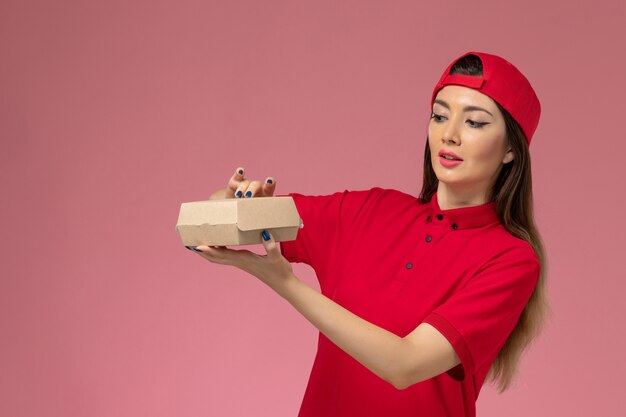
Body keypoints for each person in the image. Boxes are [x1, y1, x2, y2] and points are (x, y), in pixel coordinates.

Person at [189, 51, 550, 417]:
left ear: (510, 149)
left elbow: (404, 365)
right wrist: (237, 199)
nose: (449, 135)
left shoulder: (510, 260)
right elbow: (218, 214)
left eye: (474, 123)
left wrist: (285, 284)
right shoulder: (369, 211)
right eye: (439, 116)